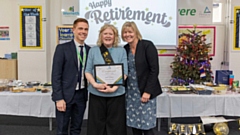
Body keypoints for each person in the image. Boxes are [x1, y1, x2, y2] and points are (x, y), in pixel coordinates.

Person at [85, 24, 128, 135]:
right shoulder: (93, 50)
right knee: (96, 126)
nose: (108, 36)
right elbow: (87, 71)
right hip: (96, 93)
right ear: (101, 35)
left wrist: (114, 88)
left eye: (110, 34)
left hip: (116, 94)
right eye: (105, 33)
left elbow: (125, 73)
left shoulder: (121, 51)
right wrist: (94, 84)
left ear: (115, 36)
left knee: (116, 126)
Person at [121, 21, 162, 135]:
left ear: (136, 32)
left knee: (147, 125)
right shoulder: (125, 49)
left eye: (130, 32)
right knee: (134, 125)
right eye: (125, 32)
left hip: (145, 91)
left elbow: (154, 70)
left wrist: (147, 91)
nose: (127, 35)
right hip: (131, 92)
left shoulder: (147, 45)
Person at [51, 18, 91, 135]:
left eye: (86, 29)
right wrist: (58, 98)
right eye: (80, 29)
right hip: (65, 95)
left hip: (81, 95)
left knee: (76, 128)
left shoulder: (90, 50)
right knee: (62, 129)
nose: (83, 32)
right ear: (73, 30)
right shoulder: (62, 49)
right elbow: (56, 75)